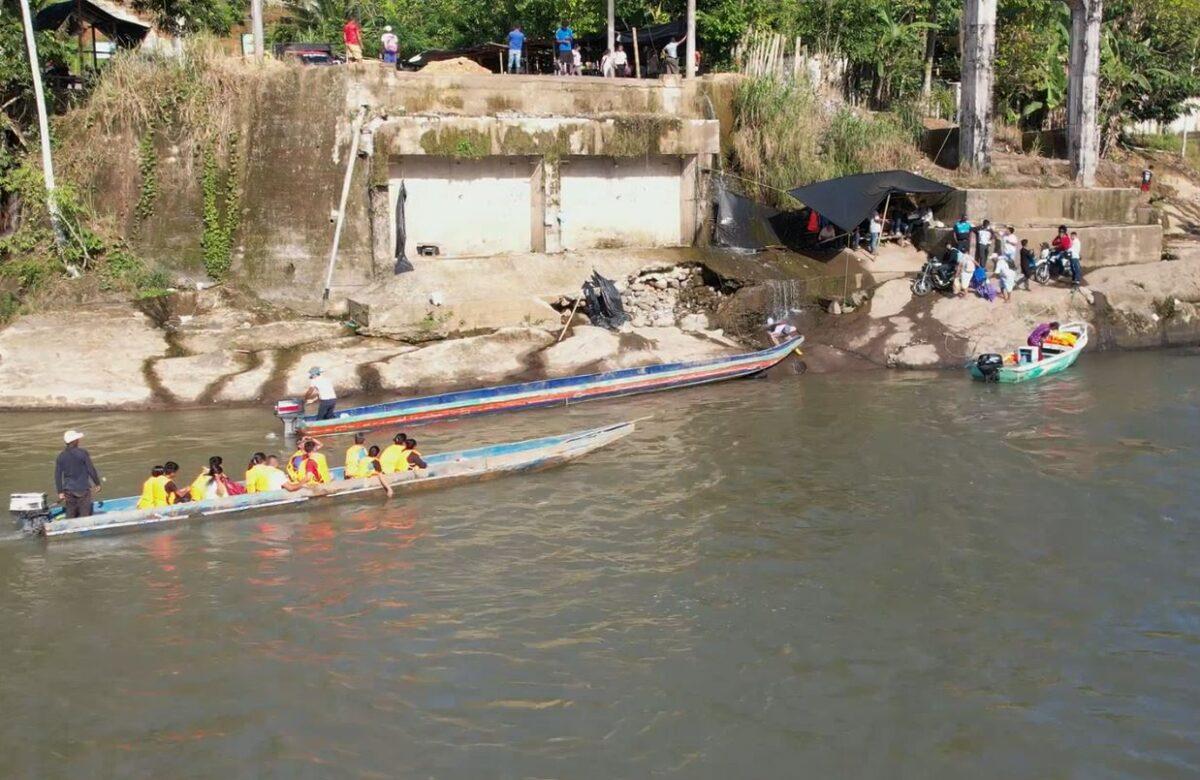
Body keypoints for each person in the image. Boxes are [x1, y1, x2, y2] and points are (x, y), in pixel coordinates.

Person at [55, 429, 100, 518]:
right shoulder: (82, 453)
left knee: (70, 514)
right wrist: (97, 483)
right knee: (84, 515)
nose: (79, 440)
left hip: (68, 490)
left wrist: (60, 491)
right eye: (78, 439)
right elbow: (91, 469)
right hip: (83, 489)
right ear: (75, 441)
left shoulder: (61, 456)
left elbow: (58, 475)